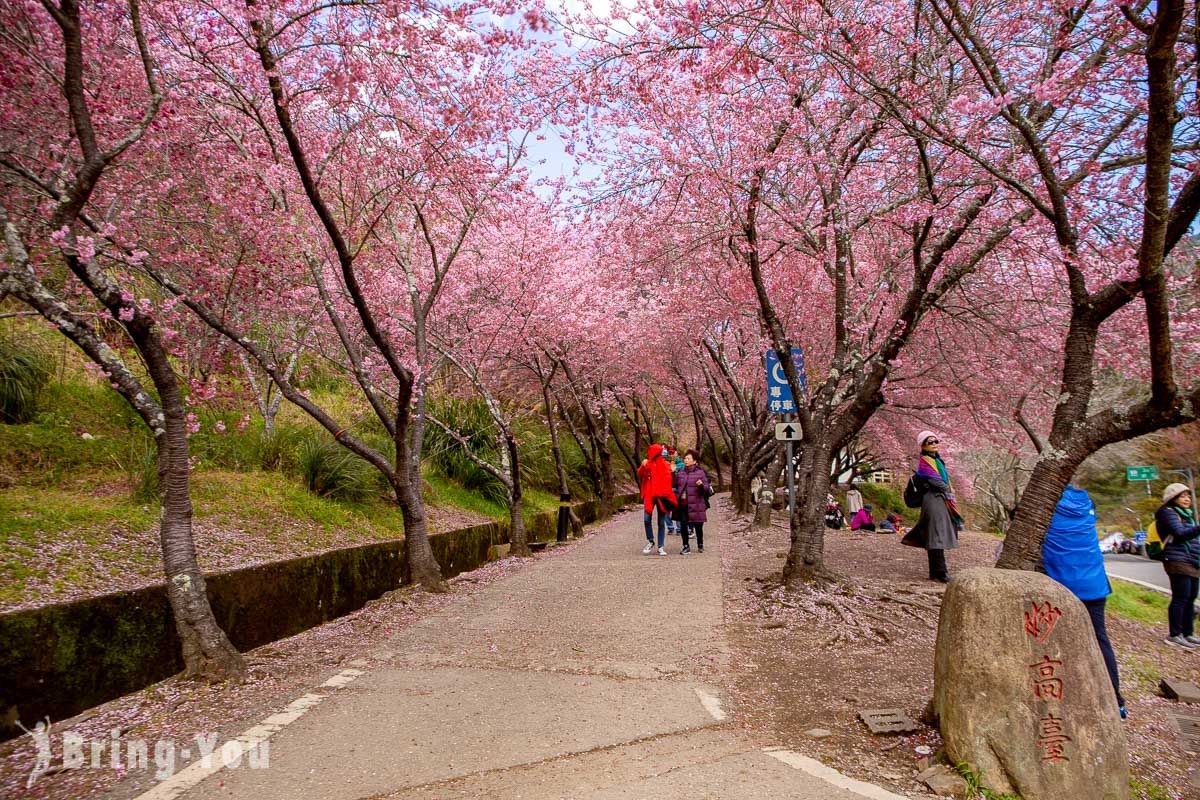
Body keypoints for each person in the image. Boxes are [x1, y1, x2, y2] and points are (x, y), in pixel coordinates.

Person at [1042, 485, 1125, 718]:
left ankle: (1065, 694)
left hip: (1062, 584)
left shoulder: (1043, 501)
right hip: (1094, 583)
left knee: (1056, 639)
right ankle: (1116, 699)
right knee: (1100, 639)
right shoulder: (1087, 502)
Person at [901, 431, 963, 583]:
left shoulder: (937, 461)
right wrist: (948, 488)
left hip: (939, 499)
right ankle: (940, 573)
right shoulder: (926, 461)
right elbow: (936, 482)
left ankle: (937, 572)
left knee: (936, 535)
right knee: (936, 535)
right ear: (923, 445)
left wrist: (947, 488)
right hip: (933, 499)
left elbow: (941, 482)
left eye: (936, 441)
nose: (934, 444)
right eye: (930, 442)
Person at [1157, 483, 1200, 648]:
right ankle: (1175, 634)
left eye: (1188, 496)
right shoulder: (1167, 513)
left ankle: (1188, 633)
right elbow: (1180, 534)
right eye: (1183, 496)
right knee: (1180, 597)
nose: (1187, 499)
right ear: (1172, 498)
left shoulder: (1187, 515)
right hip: (1176, 559)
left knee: (1190, 598)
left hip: (1192, 560)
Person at [637, 444, 673, 555]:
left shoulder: (665, 464)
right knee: (646, 519)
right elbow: (640, 474)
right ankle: (650, 540)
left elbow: (669, 480)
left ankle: (660, 546)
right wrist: (643, 466)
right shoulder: (647, 463)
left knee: (661, 522)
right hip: (649, 495)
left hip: (661, 496)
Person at [674, 448, 712, 554]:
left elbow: (706, 488)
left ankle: (700, 544)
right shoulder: (680, 472)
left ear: (694, 461)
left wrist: (701, 485)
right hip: (683, 504)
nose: (686, 460)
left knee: (698, 526)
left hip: (696, 504)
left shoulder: (700, 473)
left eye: (688, 458)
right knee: (683, 525)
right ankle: (686, 546)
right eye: (685, 458)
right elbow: (675, 485)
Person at [665, 446, 681, 536]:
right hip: (667, 491)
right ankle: (670, 527)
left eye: (673, 453)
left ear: (676, 453)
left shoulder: (682, 465)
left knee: (678, 509)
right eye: (669, 453)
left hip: (678, 490)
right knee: (667, 510)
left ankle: (679, 528)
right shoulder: (666, 465)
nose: (671, 455)